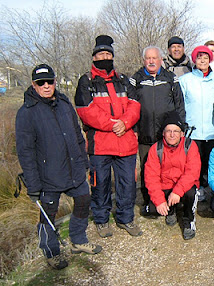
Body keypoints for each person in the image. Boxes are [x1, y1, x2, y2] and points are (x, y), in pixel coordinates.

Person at [16, 64, 102, 270]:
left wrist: (84, 162)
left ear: (55, 81)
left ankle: (78, 240)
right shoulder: (26, 113)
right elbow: (25, 152)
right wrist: (33, 185)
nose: (46, 86)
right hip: (48, 176)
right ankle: (51, 251)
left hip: (74, 170)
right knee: (48, 214)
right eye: (41, 83)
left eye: (50, 81)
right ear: (33, 85)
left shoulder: (64, 104)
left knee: (83, 200)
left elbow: (78, 136)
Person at [75, 35, 142, 238]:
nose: (105, 57)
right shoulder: (86, 81)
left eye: (108, 54)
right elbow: (85, 109)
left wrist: (126, 123)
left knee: (127, 184)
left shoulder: (123, 79)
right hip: (100, 144)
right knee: (100, 183)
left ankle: (125, 218)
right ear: (94, 57)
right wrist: (113, 125)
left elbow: (135, 104)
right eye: (101, 54)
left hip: (125, 142)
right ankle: (102, 220)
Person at [130, 46, 185, 214]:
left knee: (169, 168)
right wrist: (134, 128)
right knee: (148, 168)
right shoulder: (136, 79)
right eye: (148, 58)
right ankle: (150, 201)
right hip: (145, 134)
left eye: (155, 58)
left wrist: (180, 128)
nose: (151, 61)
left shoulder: (170, 78)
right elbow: (130, 107)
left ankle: (171, 200)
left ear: (161, 60)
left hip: (168, 135)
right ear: (143, 60)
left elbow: (179, 105)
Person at [144, 111, 201, 240]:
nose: (172, 134)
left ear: (182, 133)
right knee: (152, 209)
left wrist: (177, 191)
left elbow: (192, 172)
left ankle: (188, 221)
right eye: (168, 131)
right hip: (165, 185)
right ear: (163, 133)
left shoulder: (190, 146)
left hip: (183, 186)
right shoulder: (156, 149)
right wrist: (159, 201)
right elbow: (151, 176)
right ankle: (171, 211)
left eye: (176, 131)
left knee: (190, 192)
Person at [179, 45, 214, 201]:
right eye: (199, 57)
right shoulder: (185, 80)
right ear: (194, 60)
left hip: (213, 130)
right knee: (194, 164)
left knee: (212, 163)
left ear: (210, 59)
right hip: (193, 130)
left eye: (205, 57)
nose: (202, 60)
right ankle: (198, 188)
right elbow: (180, 104)